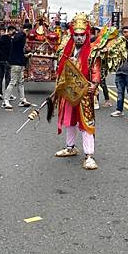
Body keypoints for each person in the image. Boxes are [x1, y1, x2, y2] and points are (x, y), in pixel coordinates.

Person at [53, 13, 104, 170]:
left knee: (86, 123)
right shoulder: (66, 50)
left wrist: (94, 85)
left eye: (82, 35)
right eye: (76, 35)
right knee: (69, 120)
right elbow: (61, 70)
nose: (79, 38)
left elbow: (96, 71)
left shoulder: (92, 52)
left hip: (84, 93)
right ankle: (70, 147)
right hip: (69, 92)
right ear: (72, 35)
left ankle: (89, 155)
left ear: (86, 35)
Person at [111, 26, 128, 119]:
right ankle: (119, 110)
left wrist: (121, 53)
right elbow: (113, 53)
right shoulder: (118, 43)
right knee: (119, 92)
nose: (126, 34)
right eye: (124, 32)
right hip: (119, 71)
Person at [2, 23, 31, 110]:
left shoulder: (21, 37)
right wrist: (22, 33)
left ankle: (22, 100)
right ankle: (5, 101)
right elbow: (14, 41)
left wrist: (26, 55)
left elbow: (19, 50)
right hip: (16, 63)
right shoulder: (20, 36)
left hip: (21, 62)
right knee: (13, 82)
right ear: (27, 30)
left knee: (21, 82)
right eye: (29, 31)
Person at [91, 27, 112, 108]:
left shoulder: (103, 44)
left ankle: (105, 100)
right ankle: (96, 101)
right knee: (97, 83)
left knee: (101, 83)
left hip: (101, 67)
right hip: (94, 66)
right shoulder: (96, 41)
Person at [0, 26, 13, 100]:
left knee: (0, 77)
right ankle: (7, 93)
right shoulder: (9, 39)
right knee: (7, 77)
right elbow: (10, 50)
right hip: (7, 60)